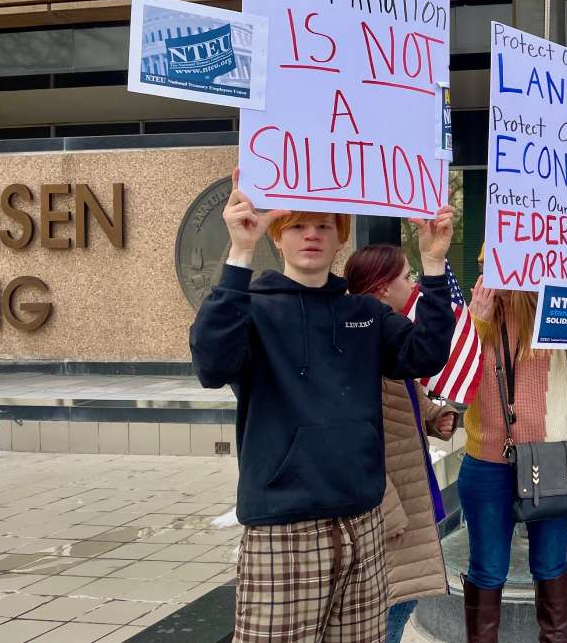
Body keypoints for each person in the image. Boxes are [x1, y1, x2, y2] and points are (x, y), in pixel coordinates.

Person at [190, 169, 456, 643]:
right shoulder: (251, 308)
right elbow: (212, 365)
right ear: (279, 234)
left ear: (339, 240)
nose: (310, 235)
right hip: (283, 527)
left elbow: (426, 354)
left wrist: (433, 266)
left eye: (324, 226)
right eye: (296, 225)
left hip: (362, 521)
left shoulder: (366, 314)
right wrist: (239, 254)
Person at [461, 264, 567, 643]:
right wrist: (476, 322)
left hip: (548, 458)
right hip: (487, 459)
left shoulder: (552, 303)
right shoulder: (473, 312)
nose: (493, 274)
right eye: (485, 266)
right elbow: (454, 374)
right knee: (487, 569)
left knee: (550, 564)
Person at [343, 244, 461, 643]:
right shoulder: (358, 341)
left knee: (399, 603)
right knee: (388, 614)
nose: (412, 284)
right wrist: (386, 504)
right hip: (388, 506)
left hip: (406, 493)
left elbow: (403, 390)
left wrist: (430, 416)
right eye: (407, 277)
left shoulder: (386, 331)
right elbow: (354, 436)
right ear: (380, 288)